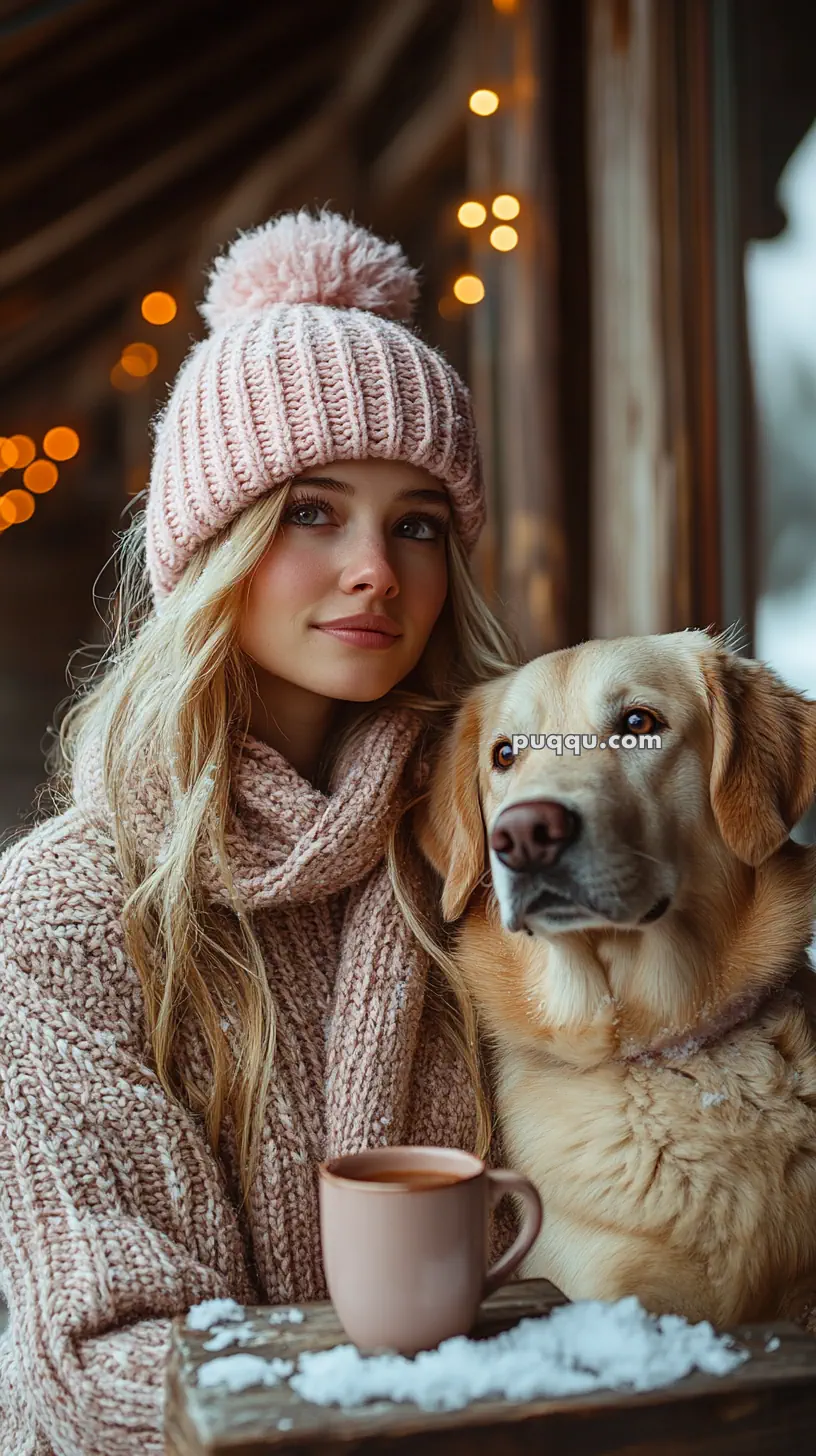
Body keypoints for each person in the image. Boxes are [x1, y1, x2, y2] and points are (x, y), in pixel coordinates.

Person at [0, 209, 526, 1455]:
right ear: (214, 543)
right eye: (310, 510)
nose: (375, 570)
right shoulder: (61, 914)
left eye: (418, 523)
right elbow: (108, 1363)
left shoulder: (500, 848)